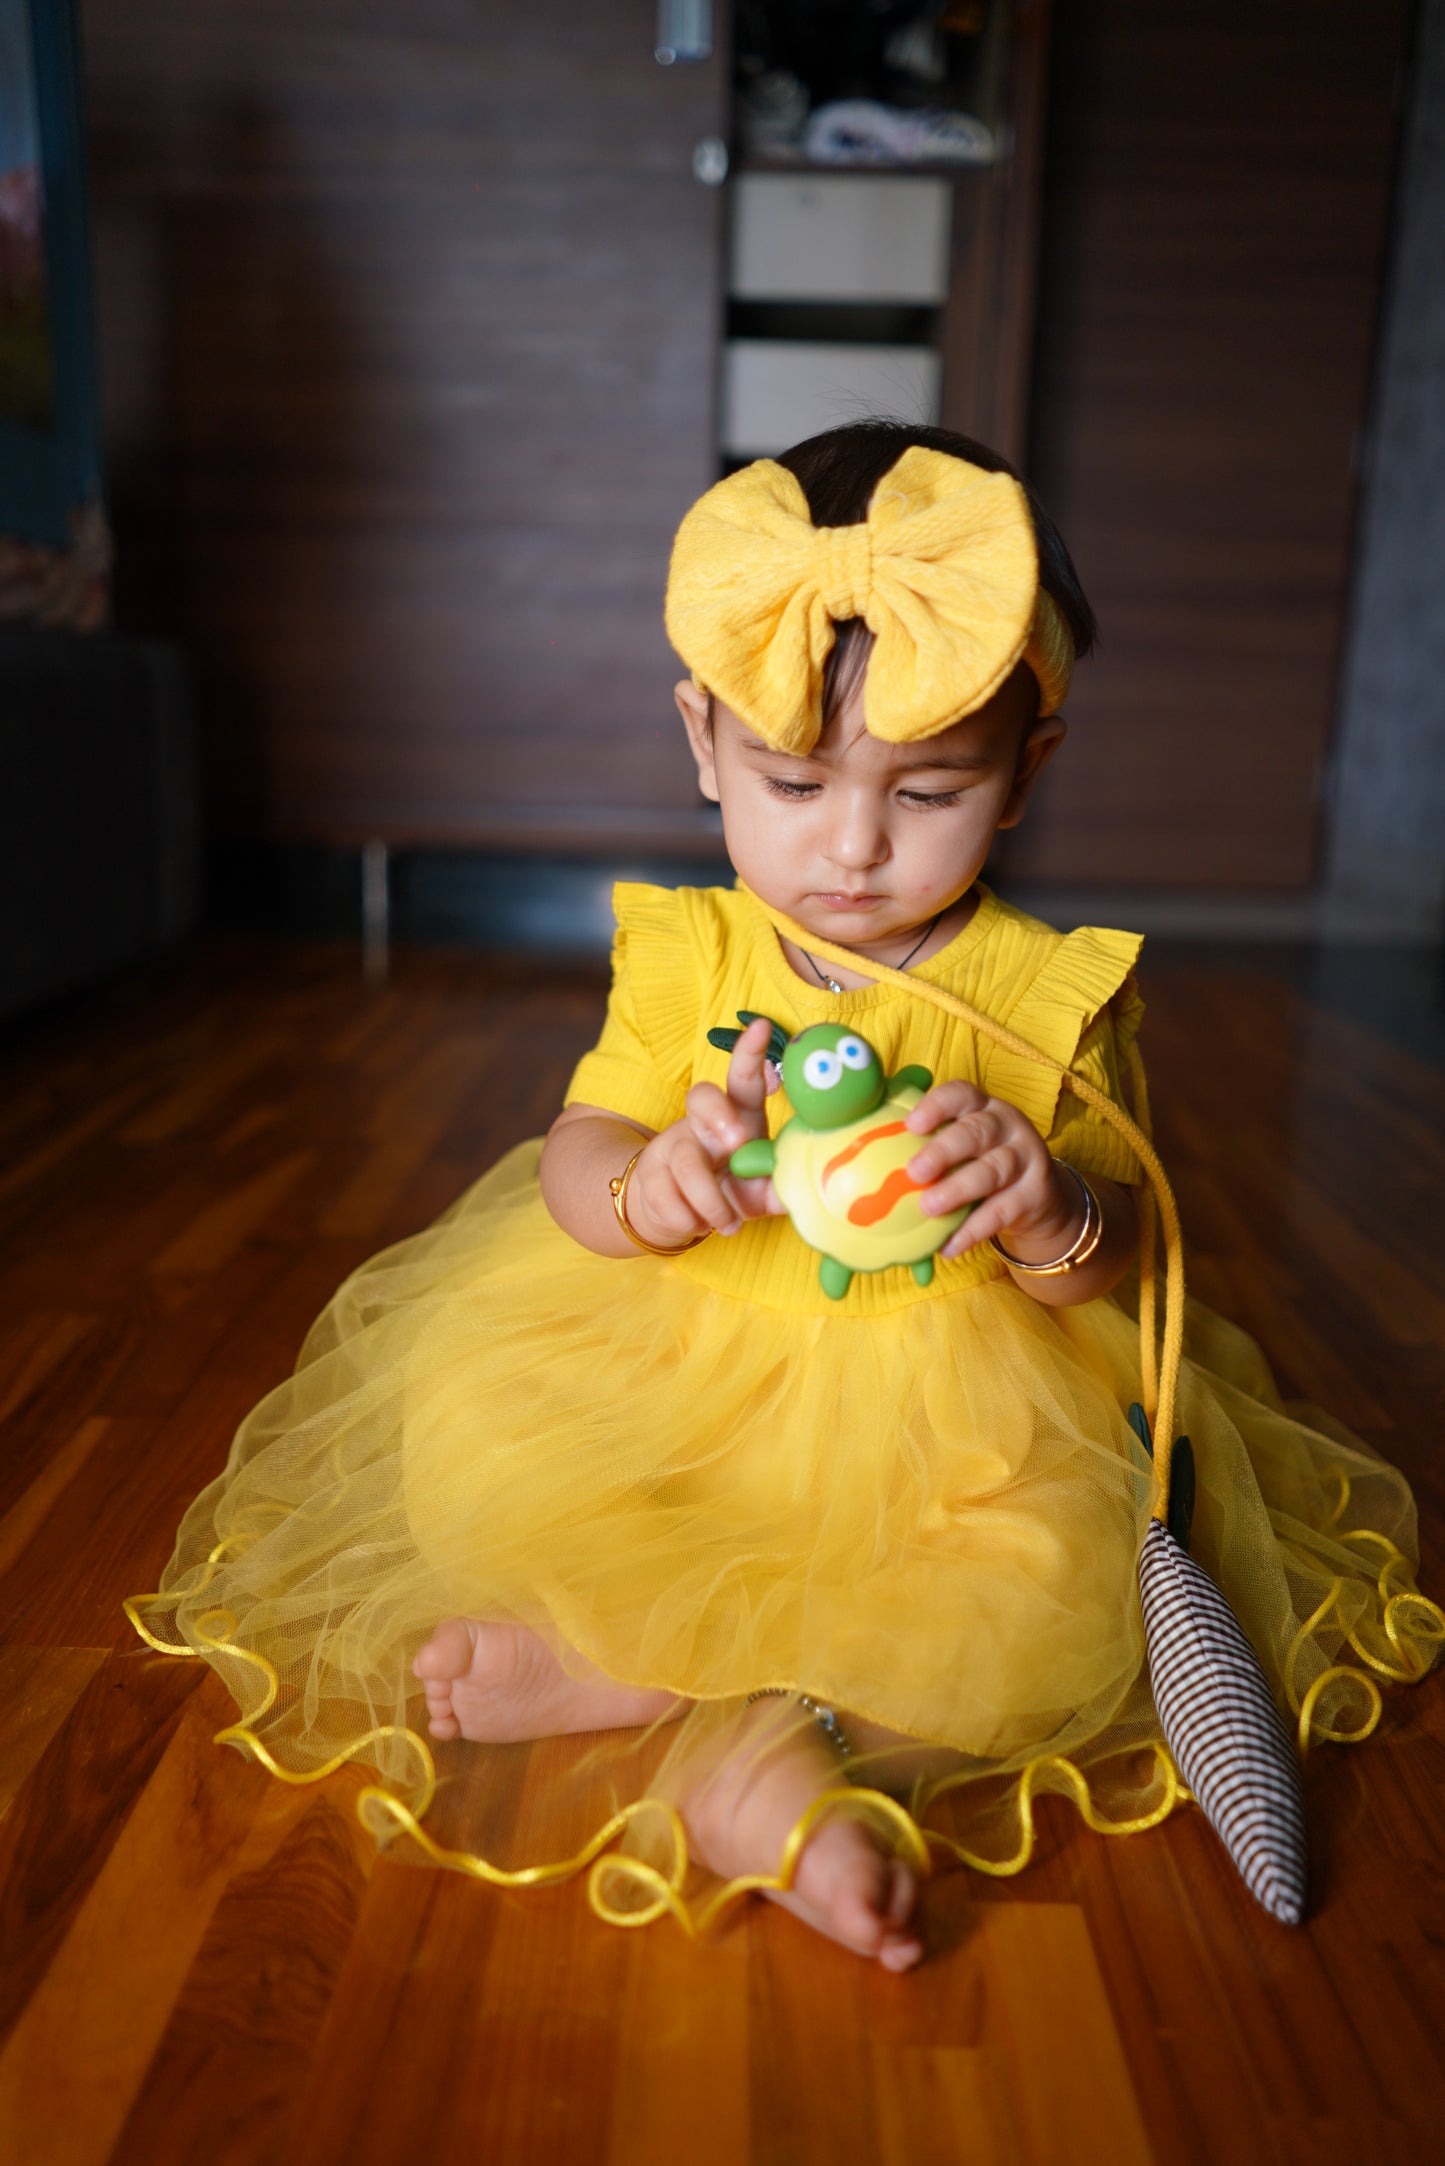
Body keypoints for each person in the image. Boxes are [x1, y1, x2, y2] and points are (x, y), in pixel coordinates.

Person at [128, 421, 1441, 1970]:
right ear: (702, 740)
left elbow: (1128, 1252)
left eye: (928, 789)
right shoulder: (690, 954)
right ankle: (658, 1669)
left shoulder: (1049, 997)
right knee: (483, 1429)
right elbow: (573, 1157)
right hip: (679, 1345)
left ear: (1028, 769)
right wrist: (652, 1183)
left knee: (1048, 1589)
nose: (852, 845)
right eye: (791, 780)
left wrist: (1043, 1207)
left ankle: (755, 1734)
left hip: (958, 1395)